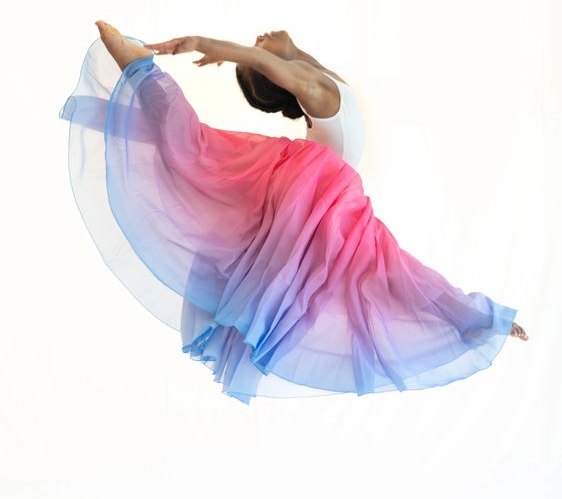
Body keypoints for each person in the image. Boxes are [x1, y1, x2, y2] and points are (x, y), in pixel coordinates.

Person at [58, 20, 528, 406]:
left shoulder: (321, 78)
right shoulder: (320, 91)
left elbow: (287, 60)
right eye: (260, 50)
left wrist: (275, 52)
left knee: (389, 272)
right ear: (280, 75)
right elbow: (272, 63)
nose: (260, 36)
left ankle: (477, 319)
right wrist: (208, 44)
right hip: (314, 191)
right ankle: (139, 69)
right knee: (198, 152)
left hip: (320, 202)